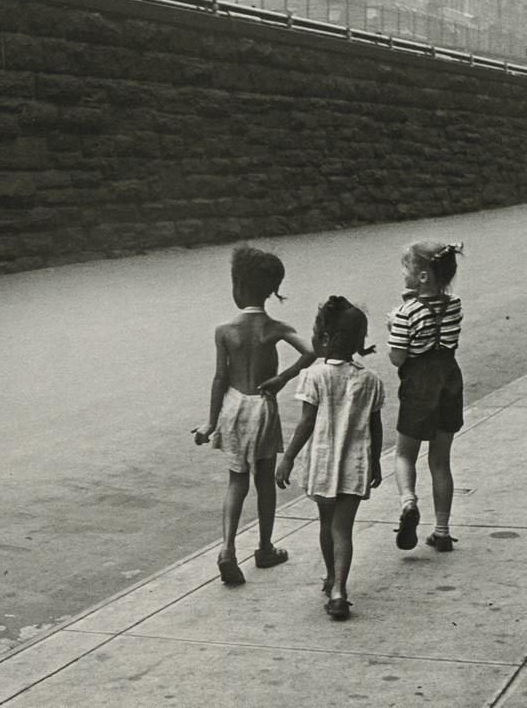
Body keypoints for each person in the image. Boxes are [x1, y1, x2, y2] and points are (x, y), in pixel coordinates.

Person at [194, 246, 315, 586]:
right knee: (264, 481)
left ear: (239, 287)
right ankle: (264, 548)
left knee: (236, 481)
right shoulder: (273, 327)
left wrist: (210, 423)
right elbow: (310, 351)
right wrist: (283, 378)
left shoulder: (225, 330)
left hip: (233, 406)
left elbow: (220, 378)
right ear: (270, 290)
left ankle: (228, 549)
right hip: (262, 406)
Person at [275, 297, 384, 620]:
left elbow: (306, 423)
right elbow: (375, 427)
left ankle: (333, 580)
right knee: (343, 530)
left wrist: (288, 458)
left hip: (323, 464)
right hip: (355, 465)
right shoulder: (370, 380)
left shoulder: (314, 376)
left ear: (324, 338)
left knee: (326, 524)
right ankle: (339, 586)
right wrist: (375, 462)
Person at [387, 242, 465, 553]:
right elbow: (437, 326)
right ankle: (442, 530)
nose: (402, 273)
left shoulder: (406, 313)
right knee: (440, 460)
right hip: (449, 380)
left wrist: (393, 325)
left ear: (422, 277)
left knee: (405, 453)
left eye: (406, 268)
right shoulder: (455, 304)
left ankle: (408, 502)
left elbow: (397, 357)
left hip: (419, 385)